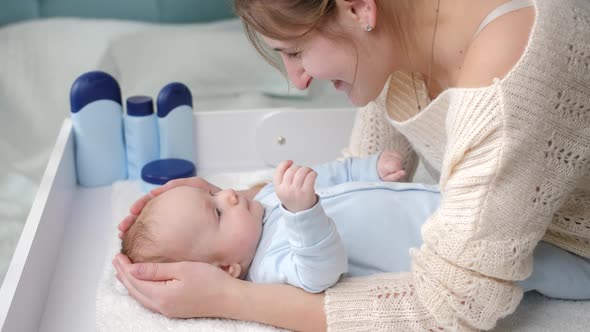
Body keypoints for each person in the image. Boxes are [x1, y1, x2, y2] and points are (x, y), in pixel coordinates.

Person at [114, 0, 590, 330]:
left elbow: (450, 310)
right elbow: (356, 176)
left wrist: (227, 298)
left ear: (359, 7)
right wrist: (217, 201)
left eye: (295, 52)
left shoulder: (505, 95)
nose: (297, 81)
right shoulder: (401, 31)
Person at [121, 152, 436, 293]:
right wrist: (303, 213)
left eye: (213, 194)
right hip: (430, 242)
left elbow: (323, 176)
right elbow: (320, 272)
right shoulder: (269, 267)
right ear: (225, 268)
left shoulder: (266, 199)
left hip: (430, 201)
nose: (228, 194)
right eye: (217, 212)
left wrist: (366, 169)